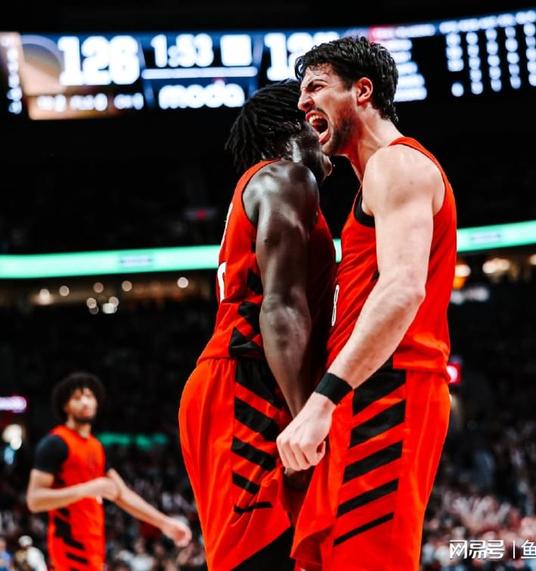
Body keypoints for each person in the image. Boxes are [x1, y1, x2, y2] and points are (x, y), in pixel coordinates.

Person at [276, 36, 458, 570]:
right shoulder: (375, 178)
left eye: (316, 87)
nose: (303, 102)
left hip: (389, 386)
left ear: (362, 91)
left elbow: (403, 289)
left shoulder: (396, 165)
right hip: (364, 388)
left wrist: (321, 402)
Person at [178, 80, 336, 570]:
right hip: (248, 382)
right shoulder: (287, 176)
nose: (326, 133)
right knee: (259, 557)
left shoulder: (268, 185)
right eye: (316, 122)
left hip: (241, 379)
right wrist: (307, 416)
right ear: (290, 127)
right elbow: (281, 305)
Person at [26, 371, 192, 570]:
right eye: (77, 398)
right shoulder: (55, 443)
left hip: (94, 546)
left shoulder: (96, 447)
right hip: (69, 547)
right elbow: (34, 500)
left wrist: (165, 523)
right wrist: (88, 489)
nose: (85, 402)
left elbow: (122, 494)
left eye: (89, 396)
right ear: (65, 406)